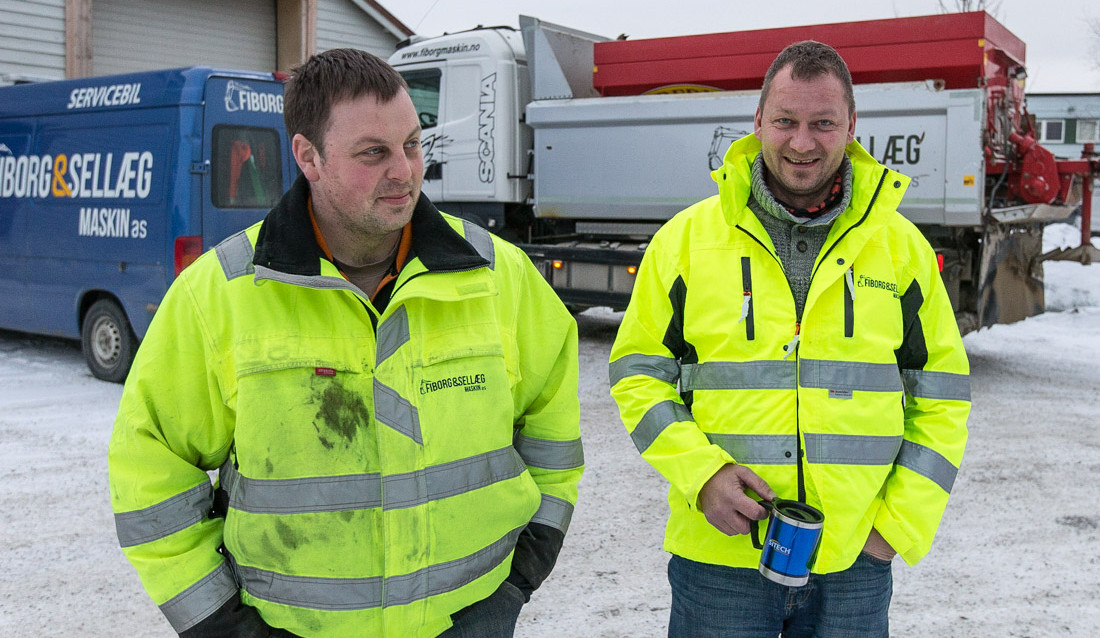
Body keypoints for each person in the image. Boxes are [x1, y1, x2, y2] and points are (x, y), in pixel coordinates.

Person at [108, 48, 583, 638]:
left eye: (412, 144)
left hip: (474, 617)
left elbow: (554, 434)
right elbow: (150, 470)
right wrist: (220, 625)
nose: (405, 171)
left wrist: (519, 577)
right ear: (308, 155)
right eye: (373, 153)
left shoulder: (497, 278)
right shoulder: (221, 295)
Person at [608, 41, 970, 637]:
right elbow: (636, 376)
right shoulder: (685, 242)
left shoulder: (902, 250)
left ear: (852, 127)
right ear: (758, 122)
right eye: (785, 121)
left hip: (854, 562)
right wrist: (700, 475)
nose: (802, 142)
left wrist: (894, 528)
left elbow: (943, 397)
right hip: (721, 558)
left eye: (823, 123)